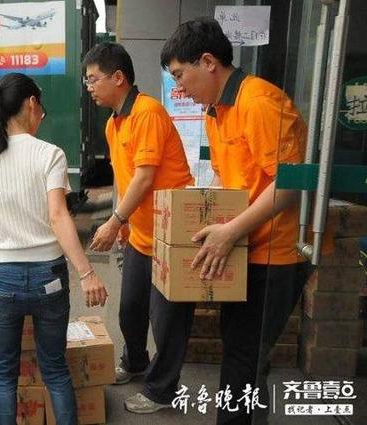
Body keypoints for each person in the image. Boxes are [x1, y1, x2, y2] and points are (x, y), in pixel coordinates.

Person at [161, 18, 307, 425]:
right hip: (247, 247)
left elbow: (290, 184)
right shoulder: (216, 111)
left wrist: (230, 230)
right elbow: (227, 179)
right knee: (243, 352)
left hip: (275, 255)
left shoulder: (259, 102)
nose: (179, 89)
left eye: (180, 75)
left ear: (208, 62)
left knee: (245, 358)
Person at [0, 72, 108, 425]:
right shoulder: (50, 155)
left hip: (2, 278)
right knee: (55, 369)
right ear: (32, 104)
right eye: (41, 109)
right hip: (49, 277)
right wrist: (87, 273)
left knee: (3, 373)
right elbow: (58, 216)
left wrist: (7, 244)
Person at [82, 42, 195, 414]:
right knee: (130, 309)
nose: (89, 86)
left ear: (118, 78)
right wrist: (125, 223)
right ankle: (135, 362)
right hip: (142, 235)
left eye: (93, 79)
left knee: (168, 321)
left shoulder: (147, 112)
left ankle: (162, 391)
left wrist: (114, 221)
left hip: (172, 235)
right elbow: (126, 179)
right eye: (87, 80)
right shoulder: (114, 123)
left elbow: (145, 177)